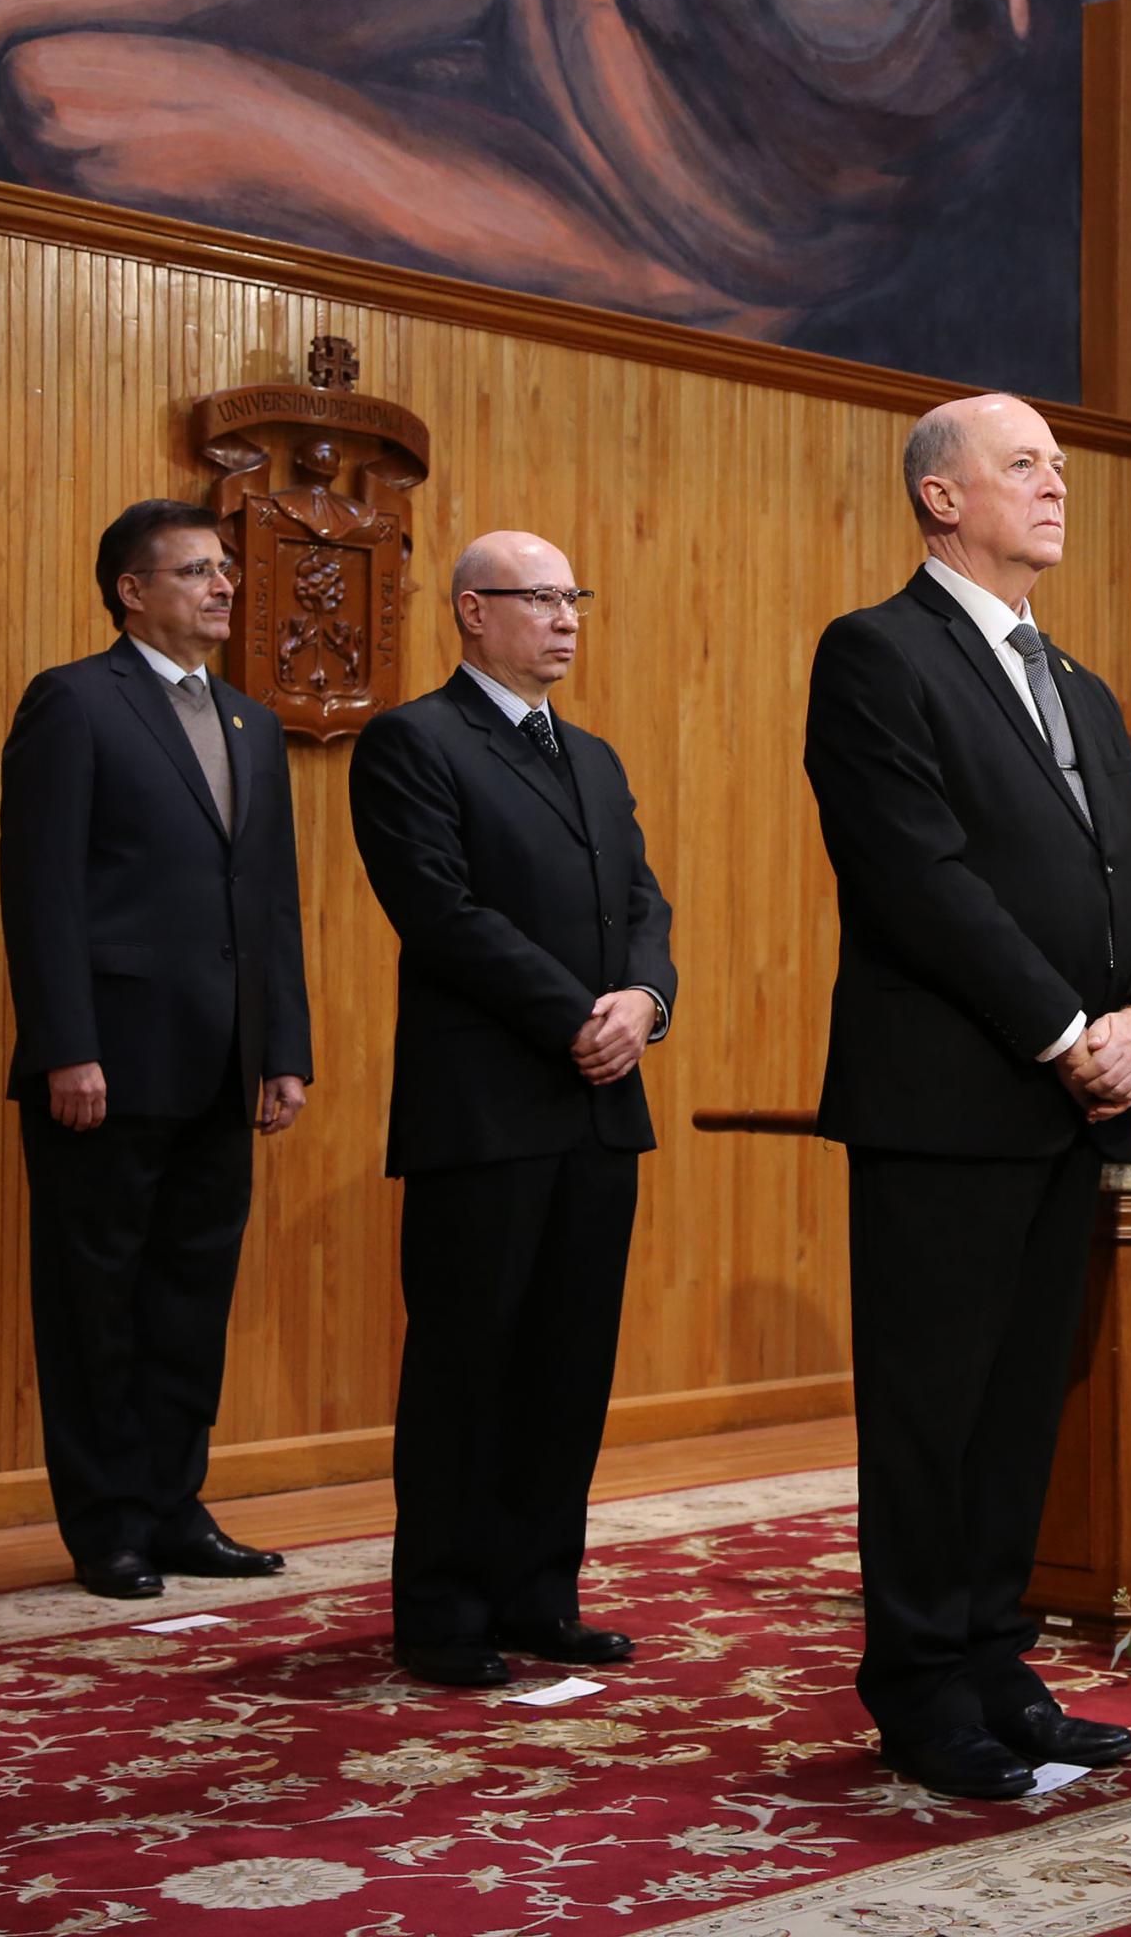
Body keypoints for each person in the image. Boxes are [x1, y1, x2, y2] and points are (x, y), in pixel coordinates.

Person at [804, 392, 1131, 1800]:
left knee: (1024, 1402)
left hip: (1073, 1103)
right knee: (933, 1410)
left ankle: (993, 1657)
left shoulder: (1078, 681)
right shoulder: (875, 656)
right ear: (941, 498)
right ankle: (917, 1686)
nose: (1056, 486)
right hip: (950, 1098)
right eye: (1023, 466)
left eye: (1060, 467)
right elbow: (919, 879)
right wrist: (1062, 1028)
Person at [347, 531, 677, 1689]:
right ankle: (441, 1612)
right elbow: (440, 912)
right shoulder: (413, 741)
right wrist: (578, 1015)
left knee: (566, 1366)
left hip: (598, 1110)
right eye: (539, 597)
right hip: (484, 1111)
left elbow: (644, 899)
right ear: (470, 613)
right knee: (466, 1367)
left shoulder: (590, 755)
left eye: (573, 595)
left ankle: (541, 1595)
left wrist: (645, 998)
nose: (566, 617)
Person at [0, 498, 313, 1601]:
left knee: (190, 1299)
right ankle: (107, 1525)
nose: (223, 586)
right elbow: (40, 891)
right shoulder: (77, 701)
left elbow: (269, 901)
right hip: (106, 1063)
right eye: (195, 571)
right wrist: (63, 1045)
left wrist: (284, 1048)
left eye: (225, 569)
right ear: (132, 590)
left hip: (224, 1063)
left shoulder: (251, 723)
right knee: (97, 1302)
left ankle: (176, 1506)